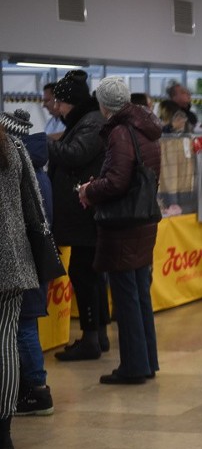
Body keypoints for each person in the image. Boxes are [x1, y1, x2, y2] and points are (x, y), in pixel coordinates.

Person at [77, 76, 162, 385]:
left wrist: (89, 189)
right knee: (139, 295)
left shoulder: (119, 132)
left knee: (126, 297)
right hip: (142, 218)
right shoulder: (146, 127)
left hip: (123, 224)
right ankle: (147, 361)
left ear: (104, 104)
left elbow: (116, 181)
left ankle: (134, 367)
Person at [48, 72, 111, 361]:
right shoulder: (86, 121)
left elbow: (74, 154)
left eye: (58, 102)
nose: (55, 109)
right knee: (90, 275)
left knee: (84, 275)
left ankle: (91, 338)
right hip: (84, 214)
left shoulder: (91, 123)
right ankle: (98, 334)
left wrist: (43, 144)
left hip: (86, 215)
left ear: (70, 102)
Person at [0, 110, 55, 415]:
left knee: (20, 331)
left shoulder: (19, 158)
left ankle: (35, 389)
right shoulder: (26, 160)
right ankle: (8, 414)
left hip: (22, 262)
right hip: (21, 261)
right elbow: (38, 218)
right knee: (11, 336)